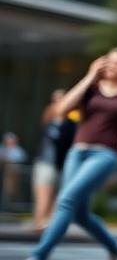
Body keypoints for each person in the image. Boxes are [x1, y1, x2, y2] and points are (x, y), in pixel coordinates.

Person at [6, 48, 117, 260]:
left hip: (105, 155)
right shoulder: (91, 89)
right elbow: (61, 110)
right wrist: (89, 76)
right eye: (108, 61)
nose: (111, 66)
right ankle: (115, 248)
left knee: (65, 200)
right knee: (78, 213)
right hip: (77, 152)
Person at [31, 92, 76, 231]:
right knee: (43, 194)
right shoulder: (49, 121)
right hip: (45, 161)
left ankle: (46, 223)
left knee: (54, 196)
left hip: (60, 164)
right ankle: (39, 223)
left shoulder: (70, 124)